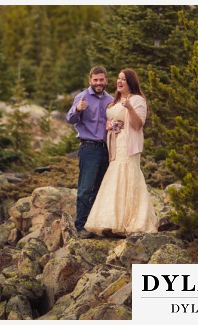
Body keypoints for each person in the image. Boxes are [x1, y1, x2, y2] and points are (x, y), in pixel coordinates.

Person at [84, 68, 157, 237]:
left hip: (128, 143)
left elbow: (138, 125)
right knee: (114, 175)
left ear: (130, 82)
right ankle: (112, 221)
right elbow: (112, 119)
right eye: (118, 78)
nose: (119, 81)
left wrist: (130, 108)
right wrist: (110, 125)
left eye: (123, 79)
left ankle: (129, 220)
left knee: (127, 174)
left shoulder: (138, 100)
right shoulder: (115, 100)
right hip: (115, 143)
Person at [66, 66, 114, 239]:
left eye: (101, 80)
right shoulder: (82, 97)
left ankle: (94, 224)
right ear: (90, 81)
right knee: (86, 189)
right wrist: (78, 109)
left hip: (107, 149)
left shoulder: (111, 99)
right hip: (89, 148)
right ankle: (80, 226)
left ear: (106, 81)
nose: (99, 83)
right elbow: (70, 119)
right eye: (95, 80)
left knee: (100, 189)